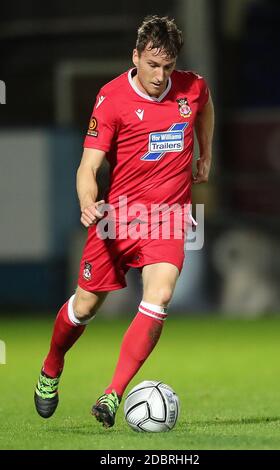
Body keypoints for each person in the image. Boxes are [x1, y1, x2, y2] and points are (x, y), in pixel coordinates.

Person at [34, 14, 214, 428]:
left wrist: (207, 153)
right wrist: (86, 201)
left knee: (160, 296)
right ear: (136, 56)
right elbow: (88, 167)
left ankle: (113, 395)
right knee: (83, 308)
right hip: (118, 219)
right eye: (152, 64)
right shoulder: (112, 98)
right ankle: (51, 364)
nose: (160, 74)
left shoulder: (193, 87)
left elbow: (206, 108)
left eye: (167, 66)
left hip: (168, 216)